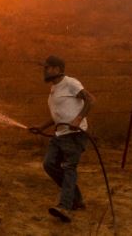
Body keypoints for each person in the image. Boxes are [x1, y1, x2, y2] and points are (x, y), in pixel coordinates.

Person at [29, 55, 95, 223]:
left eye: (47, 67)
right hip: (60, 135)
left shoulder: (71, 83)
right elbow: (57, 116)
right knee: (49, 164)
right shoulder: (54, 89)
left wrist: (78, 119)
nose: (44, 70)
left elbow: (90, 99)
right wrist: (42, 127)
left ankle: (65, 207)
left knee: (68, 168)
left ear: (57, 69)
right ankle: (76, 199)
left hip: (74, 135)